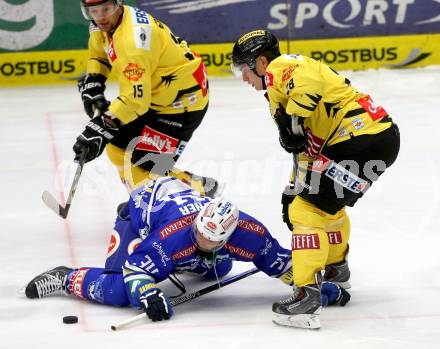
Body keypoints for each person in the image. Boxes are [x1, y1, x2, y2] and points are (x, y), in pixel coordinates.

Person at [231, 30, 400, 329]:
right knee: (324, 206)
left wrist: (294, 117)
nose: (244, 78)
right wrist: (292, 187)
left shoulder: (281, 67)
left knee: (306, 211)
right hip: (377, 140)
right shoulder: (276, 91)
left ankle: (306, 298)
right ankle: (336, 269)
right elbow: (305, 151)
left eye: (244, 69)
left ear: (260, 61)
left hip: (357, 142)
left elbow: (309, 83)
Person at [24, 177, 349, 322]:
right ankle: (66, 277)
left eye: (212, 239)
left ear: (229, 235)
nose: (203, 241)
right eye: (200, 234)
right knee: (121, 291)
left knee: (220, 268)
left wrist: (317, 289)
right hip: (141, 214)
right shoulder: (175, 236)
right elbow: (136, 272)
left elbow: (283, 266)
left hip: (173, 206)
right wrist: (149, 295)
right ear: (198, 223)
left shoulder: (250, 234)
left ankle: (176, 265)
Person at [74, 0, 219, 198]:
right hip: (158, 97)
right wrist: (94, 81)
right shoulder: (106, 23)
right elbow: (100, 54)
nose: (100, 17)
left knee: (145, 164)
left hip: (181, 104)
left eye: (105, 9)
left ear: (118, 4)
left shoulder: (133, 43)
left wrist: (101, 125)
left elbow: (135, 100)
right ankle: (184, 186)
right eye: (93, 11)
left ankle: (185, 194)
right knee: (118, 149)